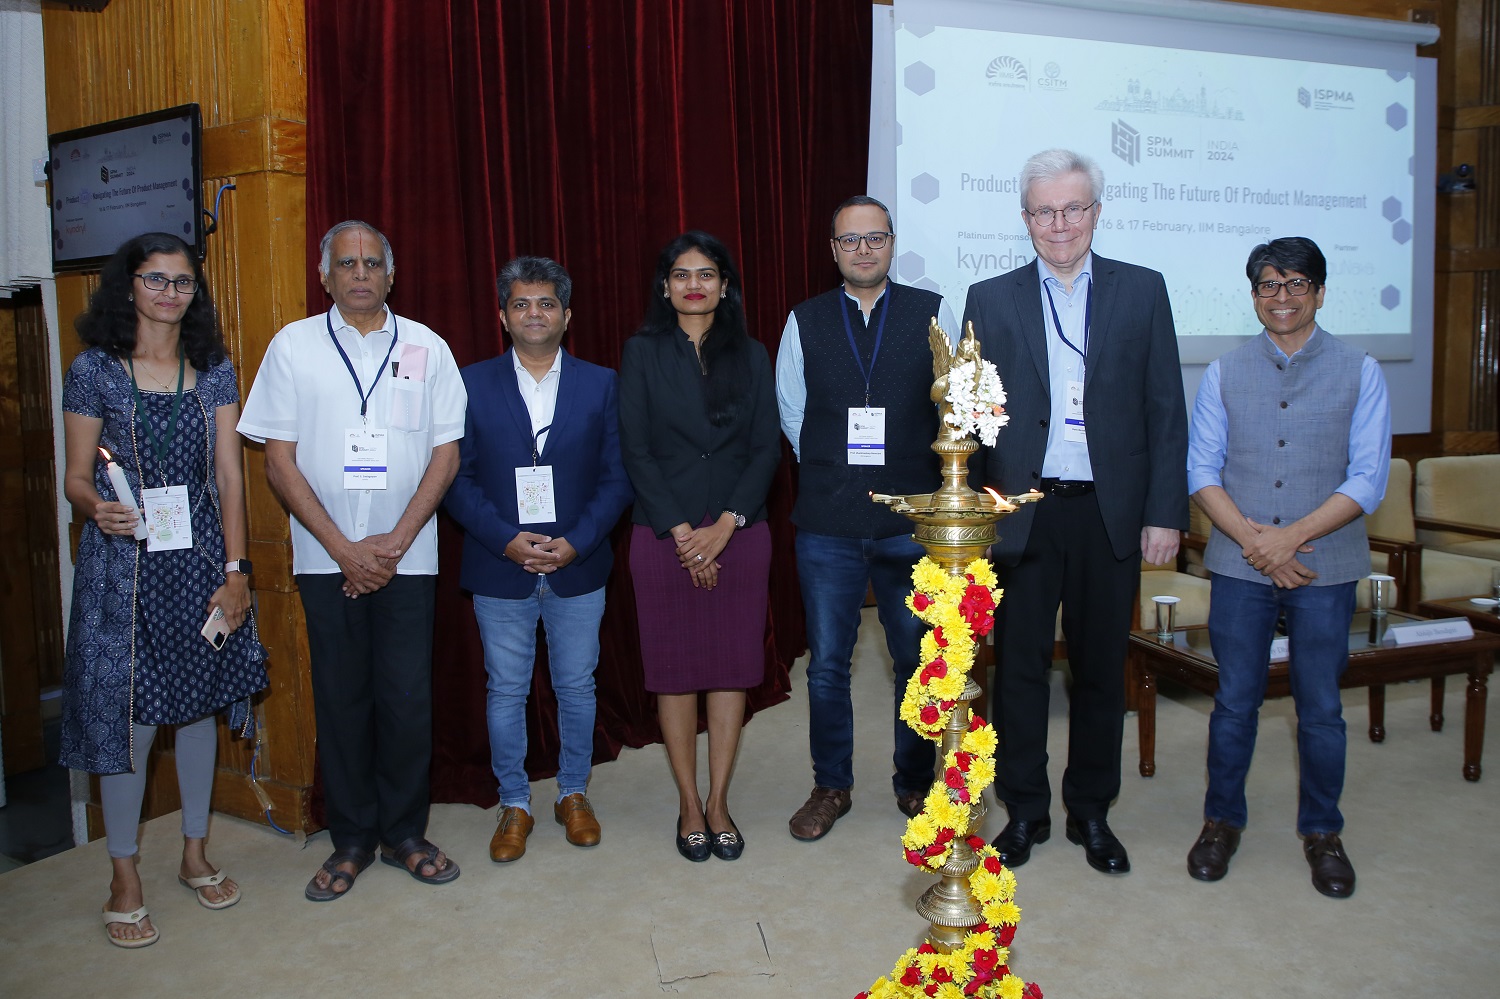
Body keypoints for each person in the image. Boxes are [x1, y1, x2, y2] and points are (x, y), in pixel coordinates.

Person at [964, 149, 1188, 874]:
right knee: (1019, 670)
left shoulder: (1143, 290)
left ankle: (1091, 810)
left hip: (1110, 514)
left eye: (1072, 208)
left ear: (1095, 211)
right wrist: (971, 513)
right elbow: (970, 419)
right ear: (1025, 217)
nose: (1058, 224)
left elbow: (1165, 409)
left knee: (1100, 670)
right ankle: (1025, 811)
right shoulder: (989, 298)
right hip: (1021, 513)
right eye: (1043, 210)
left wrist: (1164, 512)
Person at [238, 220, 467, 899]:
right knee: (342, 699)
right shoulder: (292, 346)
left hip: (410, 556)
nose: (360, 273)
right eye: (347, 263)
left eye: (372, 262)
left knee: (405, 700)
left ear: (391, 275)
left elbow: (446, 454)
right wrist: (343, 547)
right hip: (323, 557)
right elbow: (277, 462)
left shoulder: (426, 345)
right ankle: (352, 840)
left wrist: (393, 542)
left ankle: (404, 833)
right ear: (325, 275)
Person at [60, 232, 268, 948]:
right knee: (133, 721)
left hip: (200, 561)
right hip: (125, 569)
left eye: (182, 282)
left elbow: (230, 477)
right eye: (156, 279)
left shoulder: (211, 367)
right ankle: (124, 873)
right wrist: (96, 507)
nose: (170, 293)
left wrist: (237, 571)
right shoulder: (94, 371)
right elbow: (76, 478)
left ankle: (194, 852)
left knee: (199, 712)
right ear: (128, 286)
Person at [1184, 237, 1390, 898]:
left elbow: (1369, 479)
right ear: (1254, 296)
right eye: (1269, 284)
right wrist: (1253, 541)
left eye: (1296, 283)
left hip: (1324, 565)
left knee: (1322, 707)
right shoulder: (1223, 371)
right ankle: (1221, 821)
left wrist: (1290, 538)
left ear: (1320, 292)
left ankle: (1323, 831)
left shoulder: (1362, 369)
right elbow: (1201, 470)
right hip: (1240, 563)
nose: (1282, 295)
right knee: (1235, 702)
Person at [775, 196, 960, 841]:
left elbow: (953, 408)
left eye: (874, 238)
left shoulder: (933, 312)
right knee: (827, 663)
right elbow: (793, 412)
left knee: (914, 662)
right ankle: (832, 785)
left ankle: (913, 780)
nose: (862, 249)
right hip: (827, 521)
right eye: (849, 241)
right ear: (833, 250)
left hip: (911, 521)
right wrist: (839, 473)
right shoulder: (804, 320)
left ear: (891, 243)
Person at [444, 256, 632, 863]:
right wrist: (506, 539)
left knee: (578, 688)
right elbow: (455, 479)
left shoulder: (603, 383)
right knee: (506, 691)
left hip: (579, 564)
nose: (534, 314)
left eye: (546, 303)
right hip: (502, 565)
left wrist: (577, 540)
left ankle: (573, 793)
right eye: (521, 304)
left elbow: (618, 478)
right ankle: (515, 802)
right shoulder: (468, 383)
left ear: (567, 315)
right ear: (503, 316)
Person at [619, 231, 779, 862]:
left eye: (706, 274)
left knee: (731, 669)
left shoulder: (753, 353)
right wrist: (686, 533)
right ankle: (688, 801)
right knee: (676, 672)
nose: (694, 284)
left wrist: (726, 525)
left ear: (724, 285)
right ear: (665, 287)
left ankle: (719, 801)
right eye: (681, 274)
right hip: (663, 534)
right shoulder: (642, 352)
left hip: (740, 532)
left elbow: (766, 446)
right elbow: (636, 448)